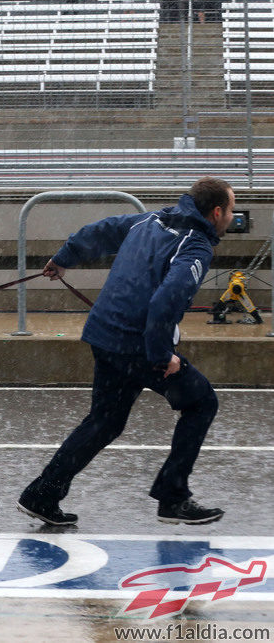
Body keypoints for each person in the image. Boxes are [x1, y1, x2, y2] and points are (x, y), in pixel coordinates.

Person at [18, 177, 235, 527]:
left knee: (105, 422)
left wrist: (63, 259)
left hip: (105, 336)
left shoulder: (151, 220)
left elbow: (100, 231)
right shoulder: (196, 246)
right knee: (201, 402)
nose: (231, 217)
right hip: (137, 345)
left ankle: (42, 493)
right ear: (215, 212)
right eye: (230, 210)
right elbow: (166, 301)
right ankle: (173, 496)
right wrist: (163, 355)